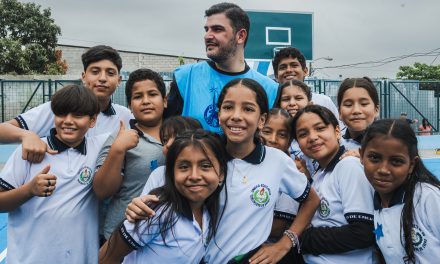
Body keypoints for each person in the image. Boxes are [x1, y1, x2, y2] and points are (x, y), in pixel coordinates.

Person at [125, 78, 320, 264]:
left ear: (262, 120)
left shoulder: (277, 161)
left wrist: (285, 243)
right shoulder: (204, 155)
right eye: (228, 107)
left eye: (248, 109)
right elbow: (162, 193)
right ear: (218, 115)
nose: (236, 115)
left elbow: (312, 200)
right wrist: (137, 204)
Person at [0, 84, 109, 263]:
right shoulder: (29, 151)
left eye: (78, 115)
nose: (67, 120)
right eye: (61, 114)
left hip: (80, 258)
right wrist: (29, 190)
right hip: (29, 258)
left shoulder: (99, 148)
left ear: (93, 121)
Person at [98, 130, 227, 263]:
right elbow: (106, 257)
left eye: (205, 166)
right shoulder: (155, 211)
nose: (194, 176)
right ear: (171, 173)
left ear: (221, 174)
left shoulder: (209, 213)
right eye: (184, 167)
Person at [0, 45, 132, 163]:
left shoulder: (125, 116)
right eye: (95, 71)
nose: (102, 78)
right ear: (84, 76)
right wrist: (26, 135)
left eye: (110, 73)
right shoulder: (57, 109)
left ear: (119, 80)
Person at [165, 2, 279, 133]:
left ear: (240, 36)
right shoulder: (185, 77)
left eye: (217, 29)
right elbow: (166, 131)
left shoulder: (270, 89)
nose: (207, 36)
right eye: (206, 29)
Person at [291, 105, 375, 263]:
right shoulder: (319, 174)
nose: (312, 137)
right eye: (303, 134)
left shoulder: (348, 166)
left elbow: (363, 232)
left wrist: (302, 238)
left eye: (320, 128)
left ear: (337, 131)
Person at [93, 69, 168, 241]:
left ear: (164, 101)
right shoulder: (120, 138)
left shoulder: (179, 134)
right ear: (129, 106)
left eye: (152, 94)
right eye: (138, 96)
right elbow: (102, 191)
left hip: (165, 234)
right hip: (123, 233)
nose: (146, 101)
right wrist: (118, 150)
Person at [360, 119, 440, 263]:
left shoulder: (428, 197)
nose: (383, 170)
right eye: (374, 158)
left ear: (411, 164)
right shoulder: (372, 201)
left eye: (396, 161)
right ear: (361, 156)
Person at [259, 108, 305, 264]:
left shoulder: (289, 170)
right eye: (267, 131)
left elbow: (279, 225)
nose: (273, 139)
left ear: (290, 140)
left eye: (282, 135)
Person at [272, 47, 344, 129]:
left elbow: (339, 132)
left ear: (305, 71)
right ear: (276, 76)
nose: (288, 70)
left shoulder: (324, 102)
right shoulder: (271, 102)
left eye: (294, 65)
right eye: (283, 67)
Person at [274, 79, 316, 175]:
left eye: (298, 98)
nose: (292, 103)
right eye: (285, 99)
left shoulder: (318, 134)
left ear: (310, 104)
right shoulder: (273, 136)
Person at [337, 77, 379, 157]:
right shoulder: (334, 144)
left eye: (364, 104)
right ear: (339, 112)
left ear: (376, 110)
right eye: (348, 105)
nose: (356, 110)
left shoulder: (390, 142)